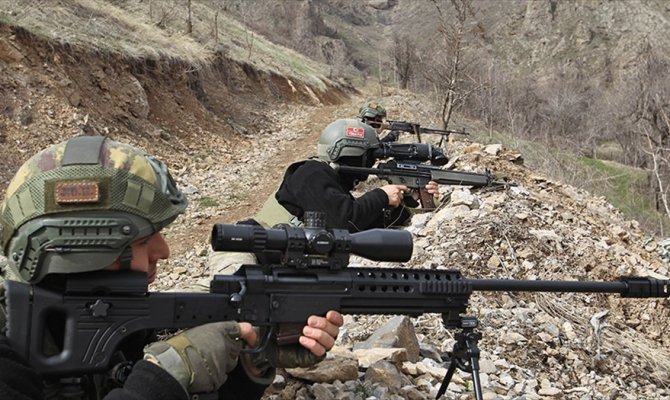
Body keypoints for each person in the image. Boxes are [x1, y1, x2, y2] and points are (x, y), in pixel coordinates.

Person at [0, 135, 343, 400]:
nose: (163, 252)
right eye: (143, 239)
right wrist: (164, 377)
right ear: (85, 246)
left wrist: (252, 358)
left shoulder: (103, 319)